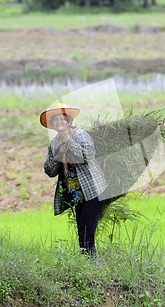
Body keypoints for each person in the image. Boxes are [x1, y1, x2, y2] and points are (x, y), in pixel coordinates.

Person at [40, 103, 108, 256]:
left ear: (68, 120)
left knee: (87, 230)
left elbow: (88, 156)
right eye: (55, 119)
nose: (59, 121)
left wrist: (69, 142)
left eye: (62, 118)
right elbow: (49, 170)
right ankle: (87, 262)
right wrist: (60, 154)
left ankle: (91, 263)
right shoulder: (54, 144)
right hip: (75, 193)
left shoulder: (80, 134)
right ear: (52, 124)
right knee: (82, 229)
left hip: (92, 189)